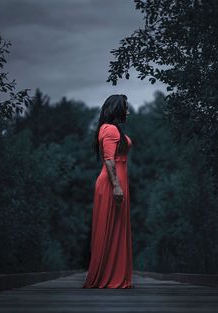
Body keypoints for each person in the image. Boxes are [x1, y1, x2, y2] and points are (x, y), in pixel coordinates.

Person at [82, 94, 134, 288]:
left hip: (117, 181)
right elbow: (110, 160)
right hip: (113, 182)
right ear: (118, 109)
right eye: (125, 108)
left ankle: (115, 275)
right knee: (111, 227)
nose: (128, 112)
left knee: (117, 227)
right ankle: (108, 276)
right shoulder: (111, 129)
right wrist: (117, 186)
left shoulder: (109, 129)